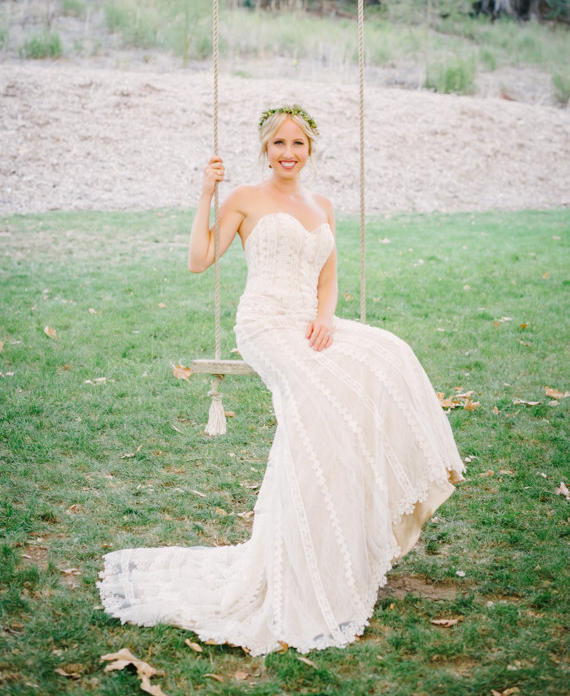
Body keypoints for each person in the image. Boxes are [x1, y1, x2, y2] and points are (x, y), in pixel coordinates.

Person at [98, 104, 464, 656]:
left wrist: (323, 316)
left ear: (310, 149)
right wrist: (205, 194)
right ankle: (309, 556)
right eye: (278, 145)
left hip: (310, 321)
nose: (288, 154)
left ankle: (364, 521)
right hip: (266, 323)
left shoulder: (323, 206)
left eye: (298, 144)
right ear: (264, 149)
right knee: (319, 404)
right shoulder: (244, 197)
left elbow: (329, 281)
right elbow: (199, 261)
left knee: (390, 352)